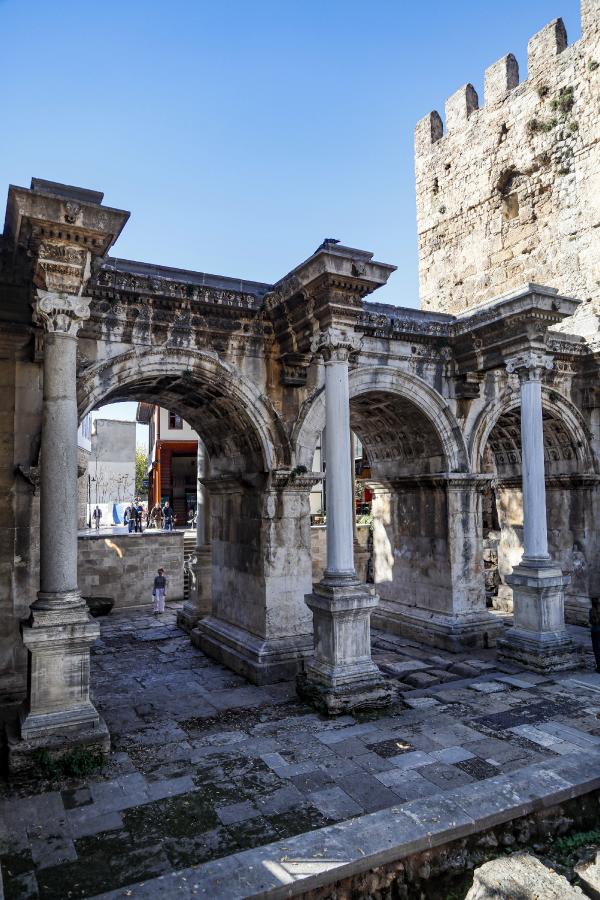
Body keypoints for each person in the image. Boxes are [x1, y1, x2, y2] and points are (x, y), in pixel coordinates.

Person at [590, 597, 600, 673]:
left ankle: (599, 667)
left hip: (595, 631)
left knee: (597, 650)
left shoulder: (591, 611)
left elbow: (591, 621)